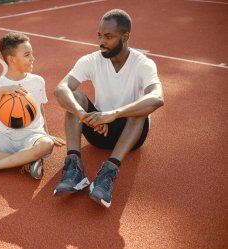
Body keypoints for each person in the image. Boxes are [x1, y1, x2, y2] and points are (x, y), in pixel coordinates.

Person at [53, 9, 164, 208]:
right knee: (75, 97)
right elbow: (61, 88)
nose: (101, 41)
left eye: (108, 36)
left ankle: (108, 172)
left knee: (141, 109)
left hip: (131, 134)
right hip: (99, 131)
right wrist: (84, 116)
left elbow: (157, 98)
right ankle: (74, 168)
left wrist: (113, 114)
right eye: (99, 35)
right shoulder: (92, 60)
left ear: (125, 36)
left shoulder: (143, 64)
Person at [0, 32, 65, 181]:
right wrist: (0, 92)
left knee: (46, 145)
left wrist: (46, 134)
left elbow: (40, 109)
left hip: (33, 136)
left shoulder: (38, 81)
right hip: (6, 136)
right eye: (27, 55)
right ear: (11, 59)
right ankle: (26, 162)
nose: (32, 58)